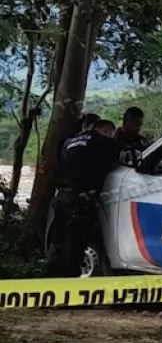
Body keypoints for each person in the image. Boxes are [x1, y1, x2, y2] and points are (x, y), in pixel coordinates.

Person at [45, 119, 122, 278]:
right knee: (74, 247)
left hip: (61, 197)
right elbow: (115, 163)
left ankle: (48, 282)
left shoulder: (69, 141)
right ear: (107, 131)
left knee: (57, 244)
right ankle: (68, 287)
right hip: (80, 200)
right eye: (111, 133)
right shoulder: (103, 142)